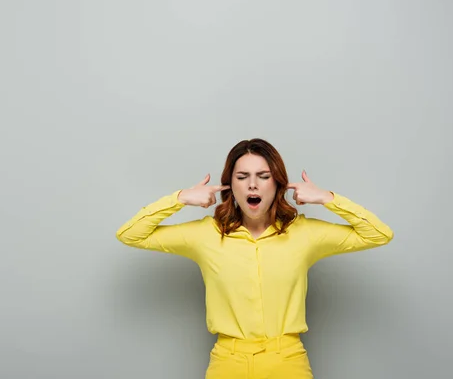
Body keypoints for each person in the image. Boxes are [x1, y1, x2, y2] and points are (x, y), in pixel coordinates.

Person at [115, 138, 394, 379]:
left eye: (263, 176)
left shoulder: (304, 233)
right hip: (228, 362)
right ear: (229, 185)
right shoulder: (206, 235)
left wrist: (328, 198)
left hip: (287, 362)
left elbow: (378, 235)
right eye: (242, 177)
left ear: (278, 183)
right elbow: (131, 235)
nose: (252, 185)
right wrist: (180, 198)